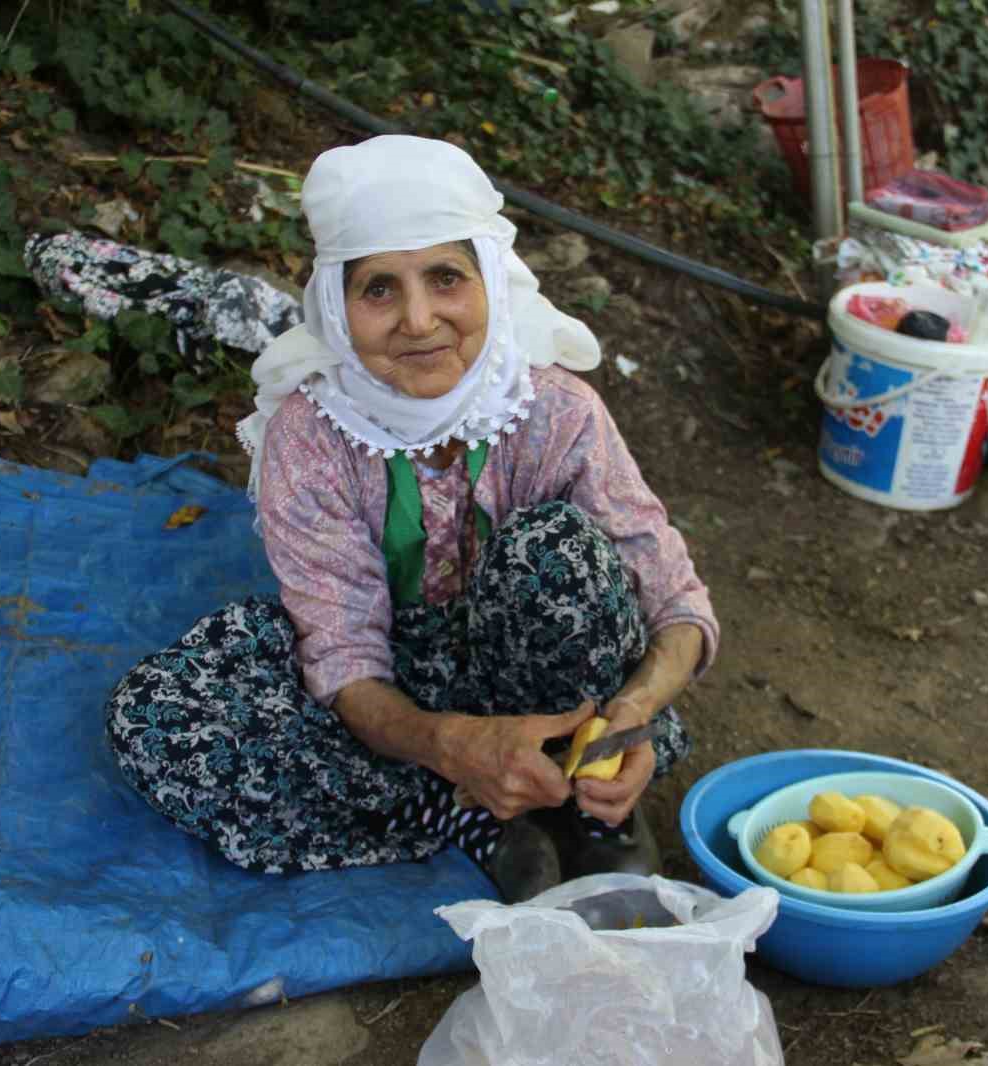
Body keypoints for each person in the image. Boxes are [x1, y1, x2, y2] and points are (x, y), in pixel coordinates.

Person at [104, 135, 718, 902]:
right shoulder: (312, 435)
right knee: (158, 716)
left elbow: (674, 599)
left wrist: (633, 716)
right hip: (400, 690)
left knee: (554, 550)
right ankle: (460, 812)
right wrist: (451, 744)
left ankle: (587, 810)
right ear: (336, 303)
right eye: (379, 290)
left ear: (490, 281)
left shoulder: (554, 410)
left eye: (445, 278)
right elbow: (345, 653)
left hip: (547, 687)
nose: (420, 320)